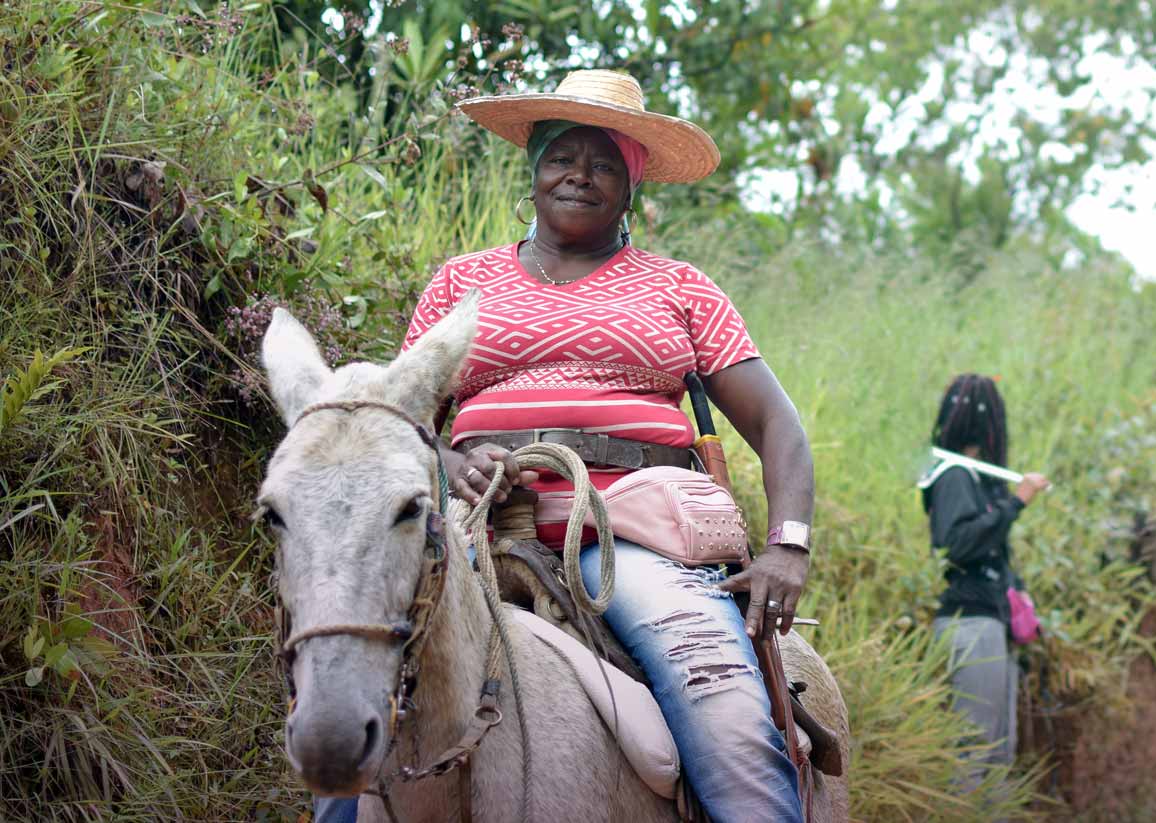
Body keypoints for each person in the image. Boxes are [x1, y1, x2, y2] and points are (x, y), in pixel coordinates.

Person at [314, 69, 810, 823]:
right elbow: (399, 426)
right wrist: (448, 462)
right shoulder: (460, 284)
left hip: (632, 535)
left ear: (632, 182)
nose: (579, 174)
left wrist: (788, 546)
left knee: (729, 714)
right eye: (560, 157)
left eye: (604, 161)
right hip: (472, 530)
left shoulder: (680, 287)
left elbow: (778, 423)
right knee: (351, 672)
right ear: (534, 170)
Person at [919, 374, 1048, 797]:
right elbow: (956, 544)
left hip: (991, 624)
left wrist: (1020, 591)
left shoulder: (976, 478)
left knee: (999, 755)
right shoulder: (953, 474)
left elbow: (991, 550)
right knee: (975, 751)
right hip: (970, 624)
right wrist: (1017, 503)